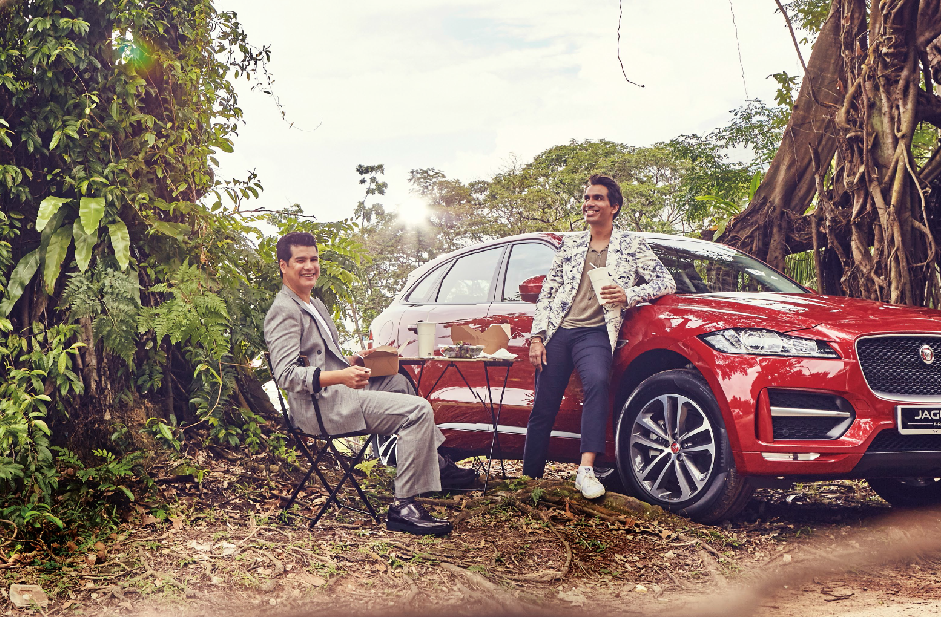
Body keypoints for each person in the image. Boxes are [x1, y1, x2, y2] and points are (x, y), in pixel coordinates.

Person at [265, 231, 474, 535]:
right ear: (283, 265)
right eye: (301, 260)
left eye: (314, 259)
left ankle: (435, 466)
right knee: (418, 410)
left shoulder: (316, 305)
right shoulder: (283, 311)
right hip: (320, 407)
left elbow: (322, 358)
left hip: (337, 391)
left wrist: (356, 361)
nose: (310, 266)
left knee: (397, 381)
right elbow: (286, 375)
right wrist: (341, 377)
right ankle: (404, 506)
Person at [524, 175, 676, 498]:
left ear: (614, 206)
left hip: (595, 333)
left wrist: (628, 294)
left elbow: (666, 281)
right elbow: (548, 292)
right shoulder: (571, 244)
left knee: (597, 384)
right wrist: (537, 337)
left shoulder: (631, 244)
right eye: (587, 197)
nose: (589, 203)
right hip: (560, 330)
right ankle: (530, 479)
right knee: (544, 406)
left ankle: (586, 470)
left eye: (597, 198)